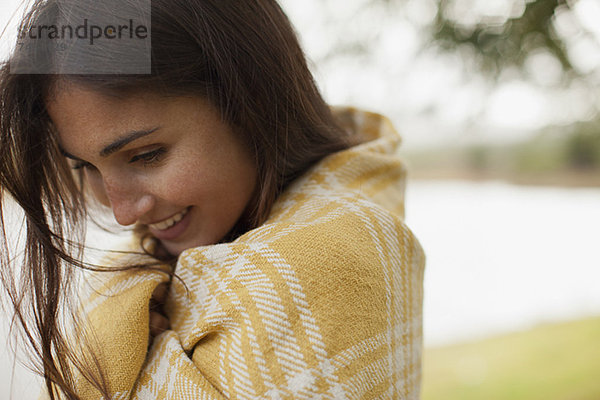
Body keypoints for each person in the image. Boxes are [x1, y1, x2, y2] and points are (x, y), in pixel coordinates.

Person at [0, 0, 425, 398]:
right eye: (85, 168)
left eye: (147, 155)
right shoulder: (148, 270)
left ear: (252, 101)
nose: (123, 213)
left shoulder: (331, 259)